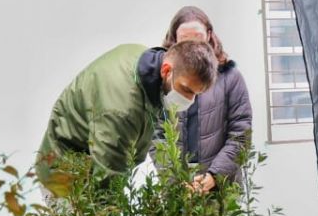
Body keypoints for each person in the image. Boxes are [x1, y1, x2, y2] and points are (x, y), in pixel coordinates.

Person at [35, 40, 217, 188]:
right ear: (167, 71)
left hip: (98, 159)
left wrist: (177, 186)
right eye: (186, 89)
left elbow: (162, 135)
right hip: (63, 171)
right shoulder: (121, 110)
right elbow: (106, 183)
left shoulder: (154, 74)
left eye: (195, 94)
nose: (189, 99)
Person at [156, 6, 253, 193]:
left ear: (209, 35)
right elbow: (156, 136)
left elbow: (241, 134)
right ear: (174, 40)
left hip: (221, 188)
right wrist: (174, 181)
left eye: (198, 39)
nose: (193, 47)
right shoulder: (164, 78)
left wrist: (214, 176)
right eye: (185, 41)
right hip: (178, 190)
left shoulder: (230, 78)